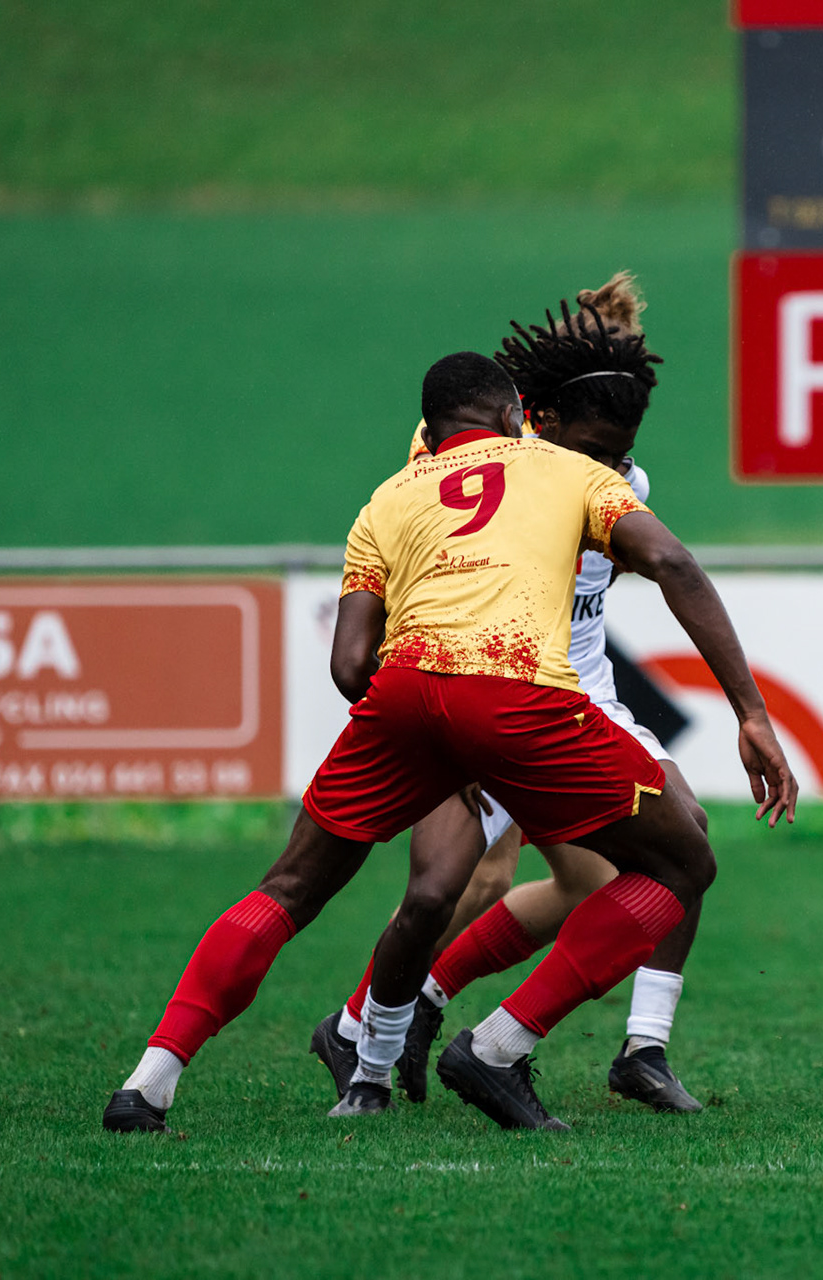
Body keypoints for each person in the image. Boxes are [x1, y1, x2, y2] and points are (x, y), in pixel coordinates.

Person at [102, 349, 797, 1134]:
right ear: (517, 419)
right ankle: (496, 1048)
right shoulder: (567, 474)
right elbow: (670, 560)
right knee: (680, 861)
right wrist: (752, 713)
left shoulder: (390, 497)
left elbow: (348, 663)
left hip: (404, 692)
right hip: (518, 688)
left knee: (292, 885)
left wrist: (438, 735)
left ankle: (148, 1082)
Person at [309, 278, 711, 1117]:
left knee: (645, 860)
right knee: (468, 884)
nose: (611, 446)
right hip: (488, 676)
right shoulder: (470, 458)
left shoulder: (618, 474)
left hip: (577, 687)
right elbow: (413, 554)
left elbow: (657, 566)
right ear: (540, 409)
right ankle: (375, 1025)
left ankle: (640, 1045)